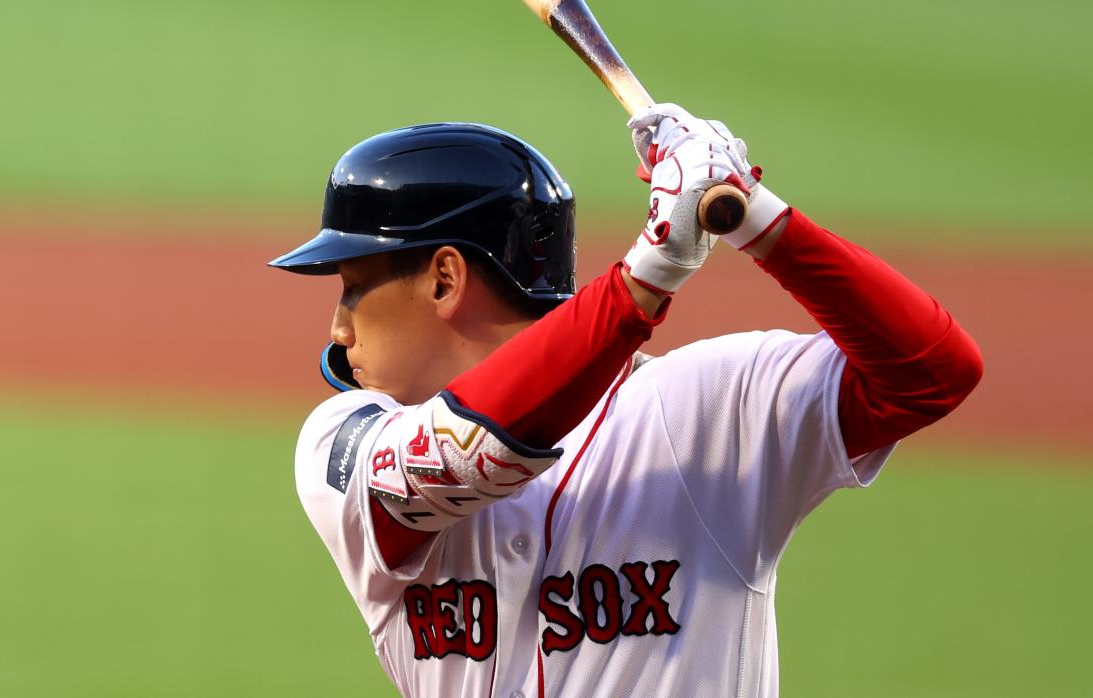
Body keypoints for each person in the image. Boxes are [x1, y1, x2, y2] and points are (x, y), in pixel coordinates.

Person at [270, 106, 982, 697]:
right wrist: (652, 268)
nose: (338, 326)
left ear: (443, 279)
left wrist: (762, 222)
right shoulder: (340, 442)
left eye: (353, 286)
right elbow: (467, 453)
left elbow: (931, 371)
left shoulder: (708, 409)